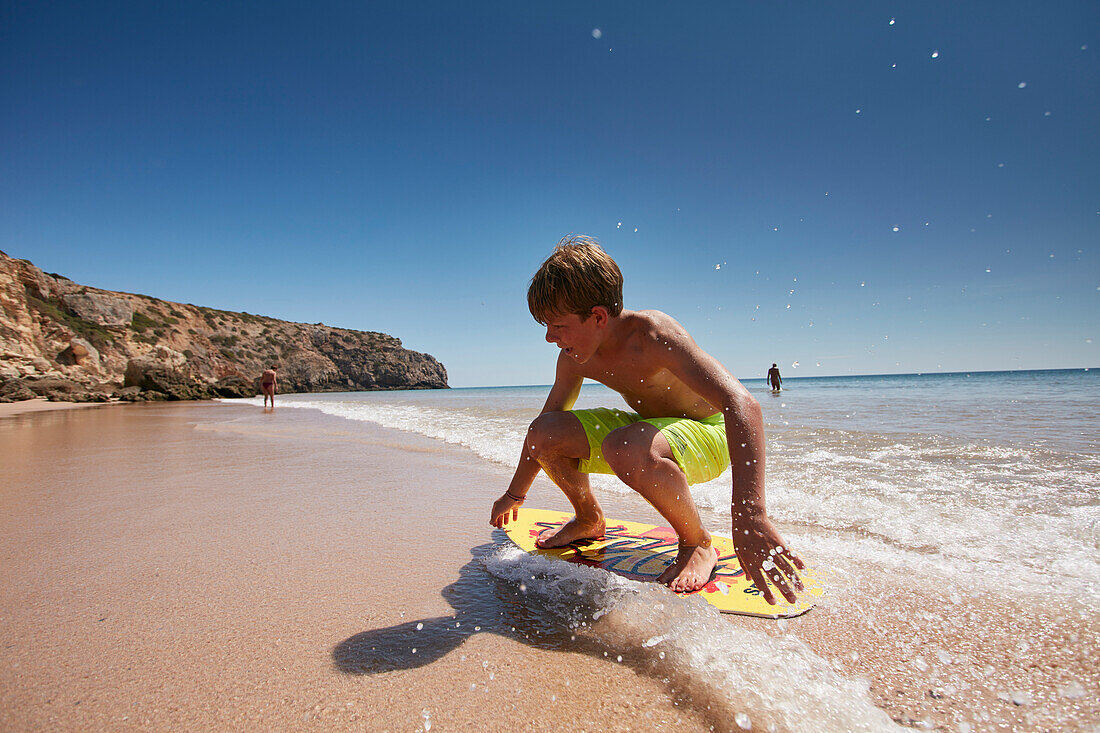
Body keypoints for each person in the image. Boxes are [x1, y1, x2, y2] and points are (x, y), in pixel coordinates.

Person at [489, 236, 803, 603]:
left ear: (598, 317)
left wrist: (750, 515)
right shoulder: (576, 357)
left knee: (624, 444)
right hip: (652, 434)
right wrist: (515, 493)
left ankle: (697, 543)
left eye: (557, 325)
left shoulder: (655, 335)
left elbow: (743, 404)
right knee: (546, 432)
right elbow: (538, 433)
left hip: (710, 434)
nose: (549, 337)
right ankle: (589, 517)